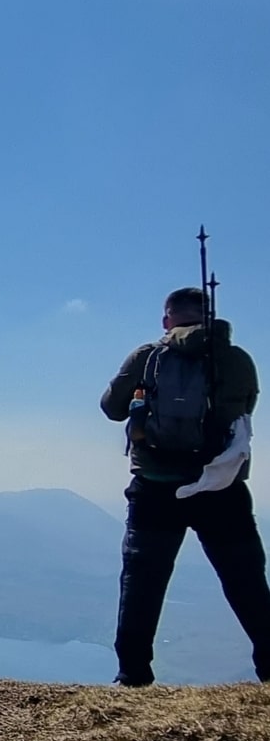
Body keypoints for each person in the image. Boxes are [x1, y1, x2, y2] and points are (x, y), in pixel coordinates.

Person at [101, 286, 270, 686]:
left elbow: (111, 408)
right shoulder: (237, 359)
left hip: (156, 486)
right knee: (246, 580)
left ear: (168, 319)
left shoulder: (147, 357)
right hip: (219, 487)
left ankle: (132, 676)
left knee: (143, 582)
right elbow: (243, 411)